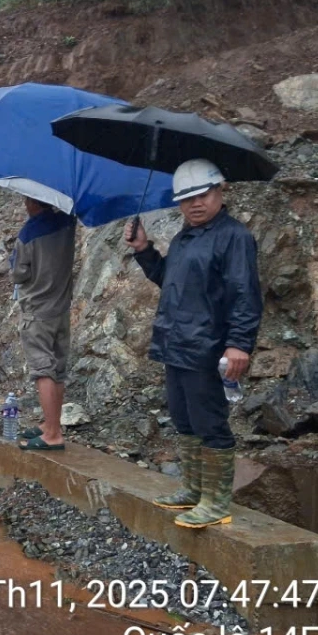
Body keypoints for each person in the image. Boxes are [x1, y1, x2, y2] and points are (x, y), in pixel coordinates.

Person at [123, 158, 261, 528]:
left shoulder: (234, 237)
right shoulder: (185, 237)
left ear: (220, 191)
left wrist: (239, 344)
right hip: (176, 344)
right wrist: (144, 249)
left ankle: (216, 502)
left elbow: (245, 294)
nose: (195, 203)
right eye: (186, 198)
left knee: (209, 421)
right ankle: (194, 489)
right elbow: (169, 279)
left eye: (203, 194)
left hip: (208, 347)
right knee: (184, 419)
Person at [9, 197, 77, 450]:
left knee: (43, 370)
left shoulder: (28, 233)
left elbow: (19, 274)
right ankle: (50, 425)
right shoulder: (67, 221)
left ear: (32, 202)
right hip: (61, 308)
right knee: (57, 368)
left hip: (37, 312)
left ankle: (53, 435)